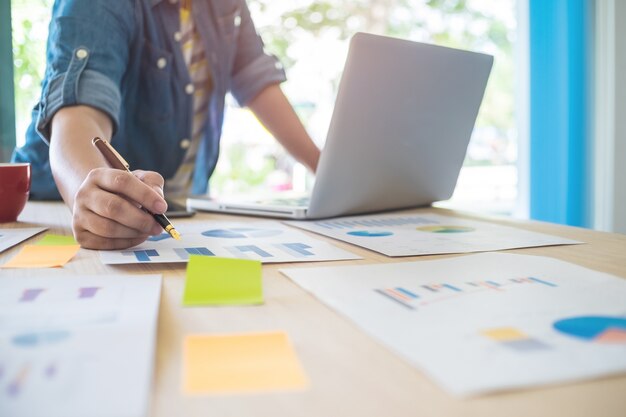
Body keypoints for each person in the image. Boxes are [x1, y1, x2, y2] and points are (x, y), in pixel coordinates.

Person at [12, 0, 321, 250]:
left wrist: (324, 169)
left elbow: (257, 82)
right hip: (63, 210)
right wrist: (90, 191)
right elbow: (80, 110)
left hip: (169, 214)